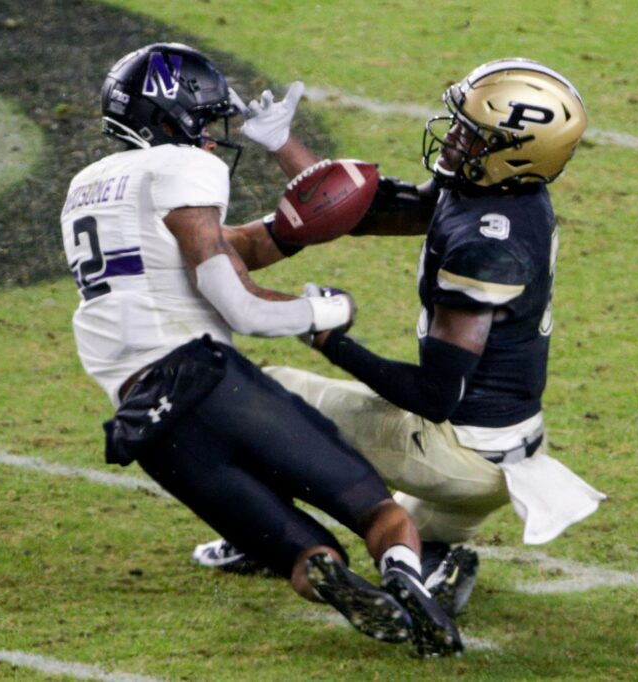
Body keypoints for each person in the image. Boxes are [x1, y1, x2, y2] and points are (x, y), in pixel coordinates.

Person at [60, 42, 461, 657]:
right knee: (379, 514)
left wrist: (286, 232)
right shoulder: (181, 166)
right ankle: (407, 576)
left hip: (144, 419)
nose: (215, 138)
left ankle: (329, 576)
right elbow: (238, 305)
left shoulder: (88, 189)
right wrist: (322, 312)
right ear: (172, 118)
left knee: (304, 555)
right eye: (207, 119)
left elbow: (208, 249)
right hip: (211, 380)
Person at [196, 59, 606, 618]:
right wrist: (285, 146)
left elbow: (432, 396)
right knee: (402, 533)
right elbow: (361, 212)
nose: (455, 135)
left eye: (473, 132)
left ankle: (267, 539)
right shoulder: (504, 194)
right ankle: (435, 562)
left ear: (514, 152)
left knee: (257, 400)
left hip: (460, 454)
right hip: (511, 450)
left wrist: (329, 339)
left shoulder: (487, 250)